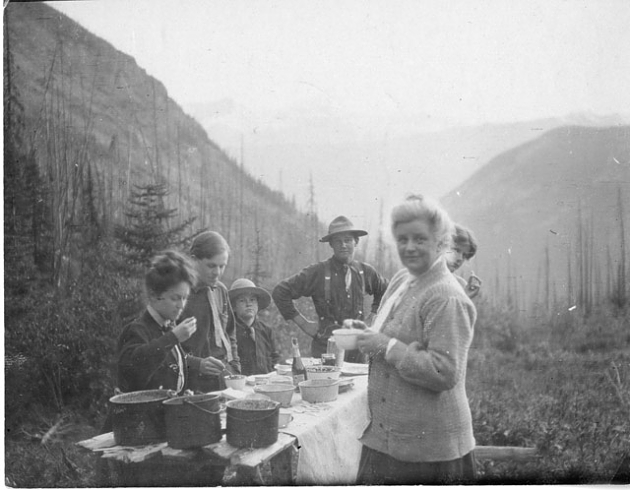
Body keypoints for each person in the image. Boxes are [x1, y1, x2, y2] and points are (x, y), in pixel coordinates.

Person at [355, 195, 477, 485]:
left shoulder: (446, 296)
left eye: (420, 239)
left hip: (429, 452)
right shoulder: (403, 279)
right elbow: (388, 330)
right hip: (387, 438)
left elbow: (444, 372)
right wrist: (369, 334)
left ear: (441, 243)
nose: (409, 248)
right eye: (403, 239)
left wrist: (385, 346)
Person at [272, 216, 389, 362]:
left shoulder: (366, 272)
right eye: (338, 241)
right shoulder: (318, 272)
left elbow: (388, 291)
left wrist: (373, 316)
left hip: (358, 350)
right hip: (326, 348)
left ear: (356, 242)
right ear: (331, 245)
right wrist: (303, 323)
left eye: (347, 240)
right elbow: (280, 291)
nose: (343, 245)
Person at [117, 250, 199, 393]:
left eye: (184, 298)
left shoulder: (168, 328)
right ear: (154, 296)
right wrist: (173, 338)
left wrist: (181, 394)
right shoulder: (136, 330)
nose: (181, 305)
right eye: (175, 298)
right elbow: (132, 374)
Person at [181, 231, 241, 392]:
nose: (218, 273)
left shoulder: (220, 290)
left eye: (222, 266)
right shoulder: (178, 295)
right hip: (191, 382)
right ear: (194, 260)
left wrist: (235, 367)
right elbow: (165, 349)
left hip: (225, 377)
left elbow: (230, 333)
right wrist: (197, 364)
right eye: (211, 265)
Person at [228, 278, 279, 376]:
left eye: (252, 300)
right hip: (241, 385)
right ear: (233, 306)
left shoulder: (266, 330)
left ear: (257, 304)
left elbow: (275, 358)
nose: (249, 304)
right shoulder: (229, 330)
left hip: (266, 383)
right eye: (242, 301)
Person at [445, 224, 482, 299]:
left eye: (464, 255)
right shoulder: (419, 276)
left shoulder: (461, 285)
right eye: (456, 250)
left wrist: (465, 298)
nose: (460, 258)